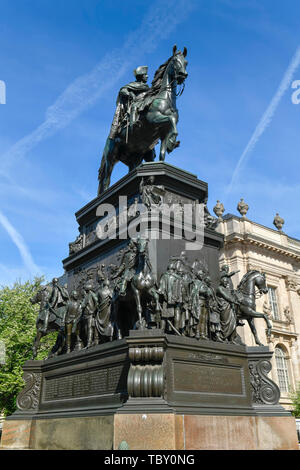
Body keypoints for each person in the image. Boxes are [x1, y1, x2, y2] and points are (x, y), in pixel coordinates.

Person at [109, 66, 149, 140]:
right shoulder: (133, 85)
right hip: (135, 103)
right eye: (145, 75)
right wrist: (130, 94)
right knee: (134, 106)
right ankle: (133, 124)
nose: (147, 76)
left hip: (144, 103)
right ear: (141, 76)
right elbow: (123, 90)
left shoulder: (147, 87)